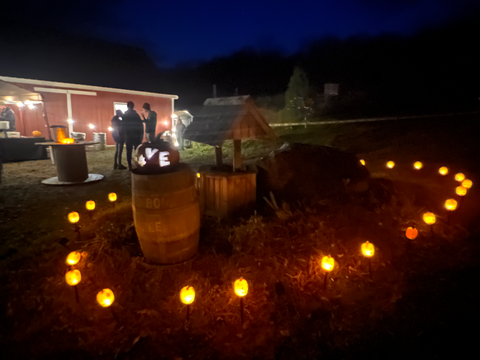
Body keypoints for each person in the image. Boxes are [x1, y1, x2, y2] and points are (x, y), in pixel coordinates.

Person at [122, 101, 144, 170]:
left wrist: (124, 136)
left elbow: (123, 126)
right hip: (136, 136)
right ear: (133, 106)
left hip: (129, 136)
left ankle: (130, 165)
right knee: (137, 150)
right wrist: (141, 136)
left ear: (127, 106)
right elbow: (141, 126)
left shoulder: (125, 115)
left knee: (129, 151)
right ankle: (137, 164)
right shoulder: (136, 115)